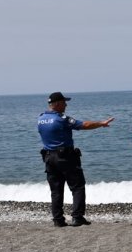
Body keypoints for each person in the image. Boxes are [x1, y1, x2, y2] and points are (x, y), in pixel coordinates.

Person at [37, 92, 114, 227]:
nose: (66, 105)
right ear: (58, 104)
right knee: (77, 186)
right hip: (65, 157)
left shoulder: (41, 118)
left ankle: (58, 219)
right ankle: (77, 217)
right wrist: (101, 123)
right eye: (64, 102)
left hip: (48, 157)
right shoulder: (62, 118)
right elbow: (83, 125)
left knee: (56, 190)